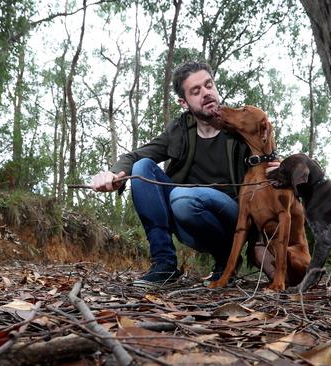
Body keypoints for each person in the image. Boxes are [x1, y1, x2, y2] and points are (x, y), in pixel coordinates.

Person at [91, 61, 275, 288]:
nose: (206, 93)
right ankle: (164, 264)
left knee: (183, 199)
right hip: (187, 220)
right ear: (183, 102)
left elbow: (271, 157)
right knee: (142, 168)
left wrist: (283, 170)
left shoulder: (239, 123)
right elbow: (136, 156)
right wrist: (111, 174)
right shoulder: (179, 130)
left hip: (234, 219)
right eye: (195, 91)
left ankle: (226, 260)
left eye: (209, 85)